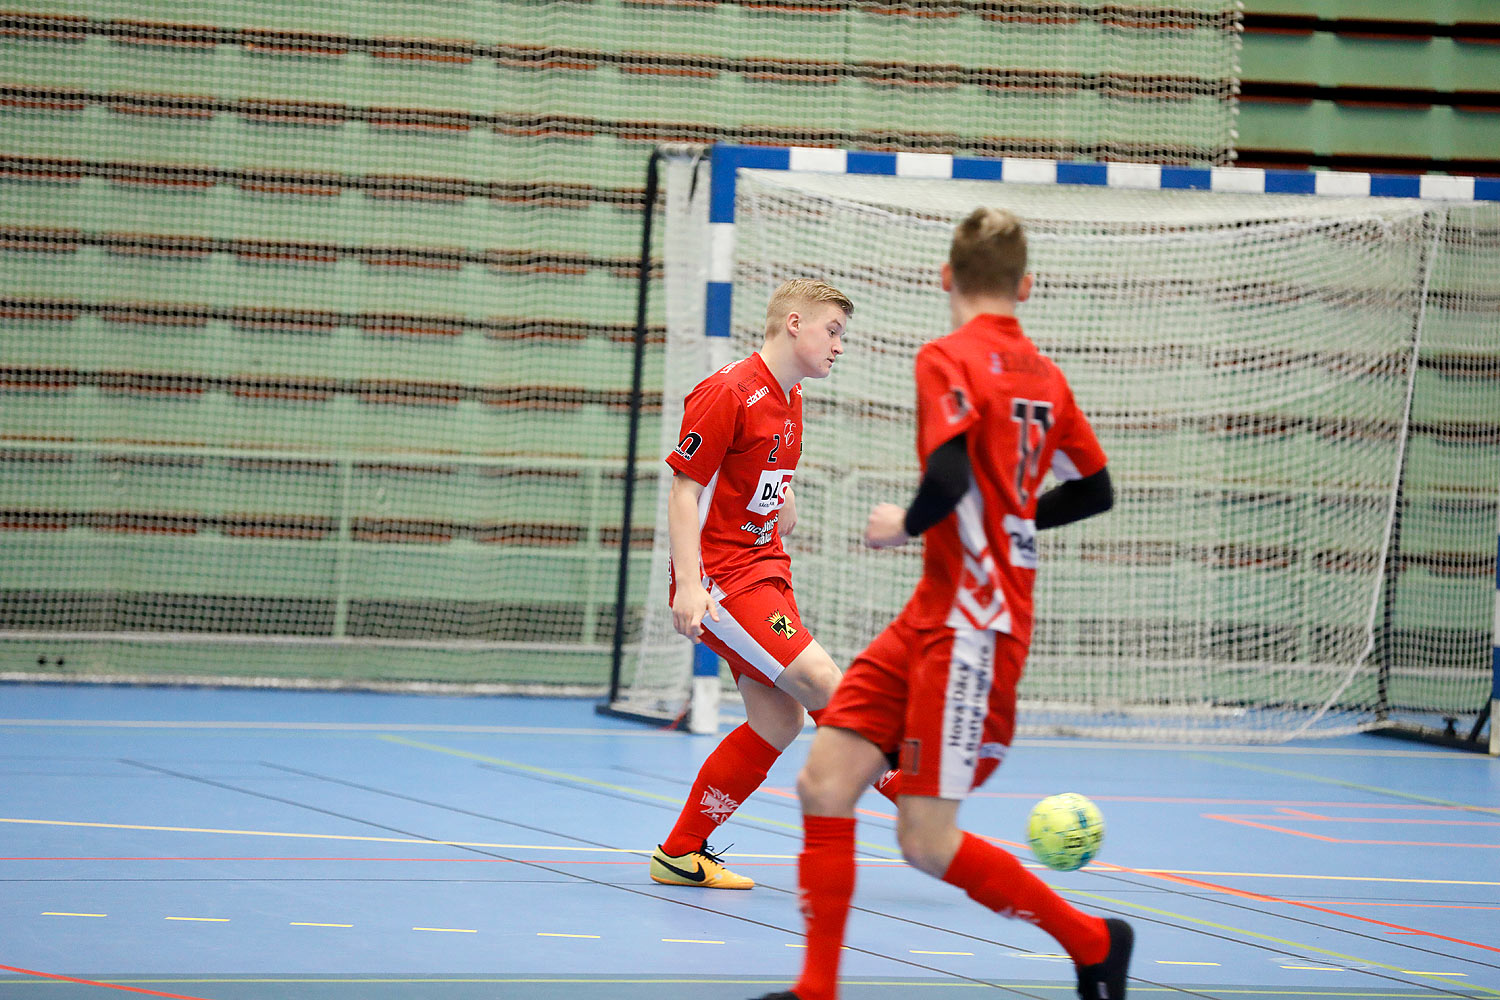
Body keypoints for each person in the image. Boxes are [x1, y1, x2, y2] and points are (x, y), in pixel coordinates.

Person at [753, 208, 1132, 999]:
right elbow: (1094, 490)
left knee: (925, 841)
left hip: (975, 630)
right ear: (1025, 286)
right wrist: (1018, 515)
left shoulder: (946, 358)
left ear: (944, 279)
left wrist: (903, 525)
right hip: (931, 613)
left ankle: (1093, 942)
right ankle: (814, 990)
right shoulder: (1047, 376)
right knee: (824, 783)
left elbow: (952, 477)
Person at [650, 278, 902, 891]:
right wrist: (689, 584)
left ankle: (681, 852)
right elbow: (685, 491)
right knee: (824, 682)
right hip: (726, 580)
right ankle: (915, 796)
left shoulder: (790, 397)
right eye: (833, 331)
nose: (840, 346)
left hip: (766, 568)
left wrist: (779, 496)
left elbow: (750, 472)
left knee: (779, 721)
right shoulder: (727, 392)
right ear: (795, 323)